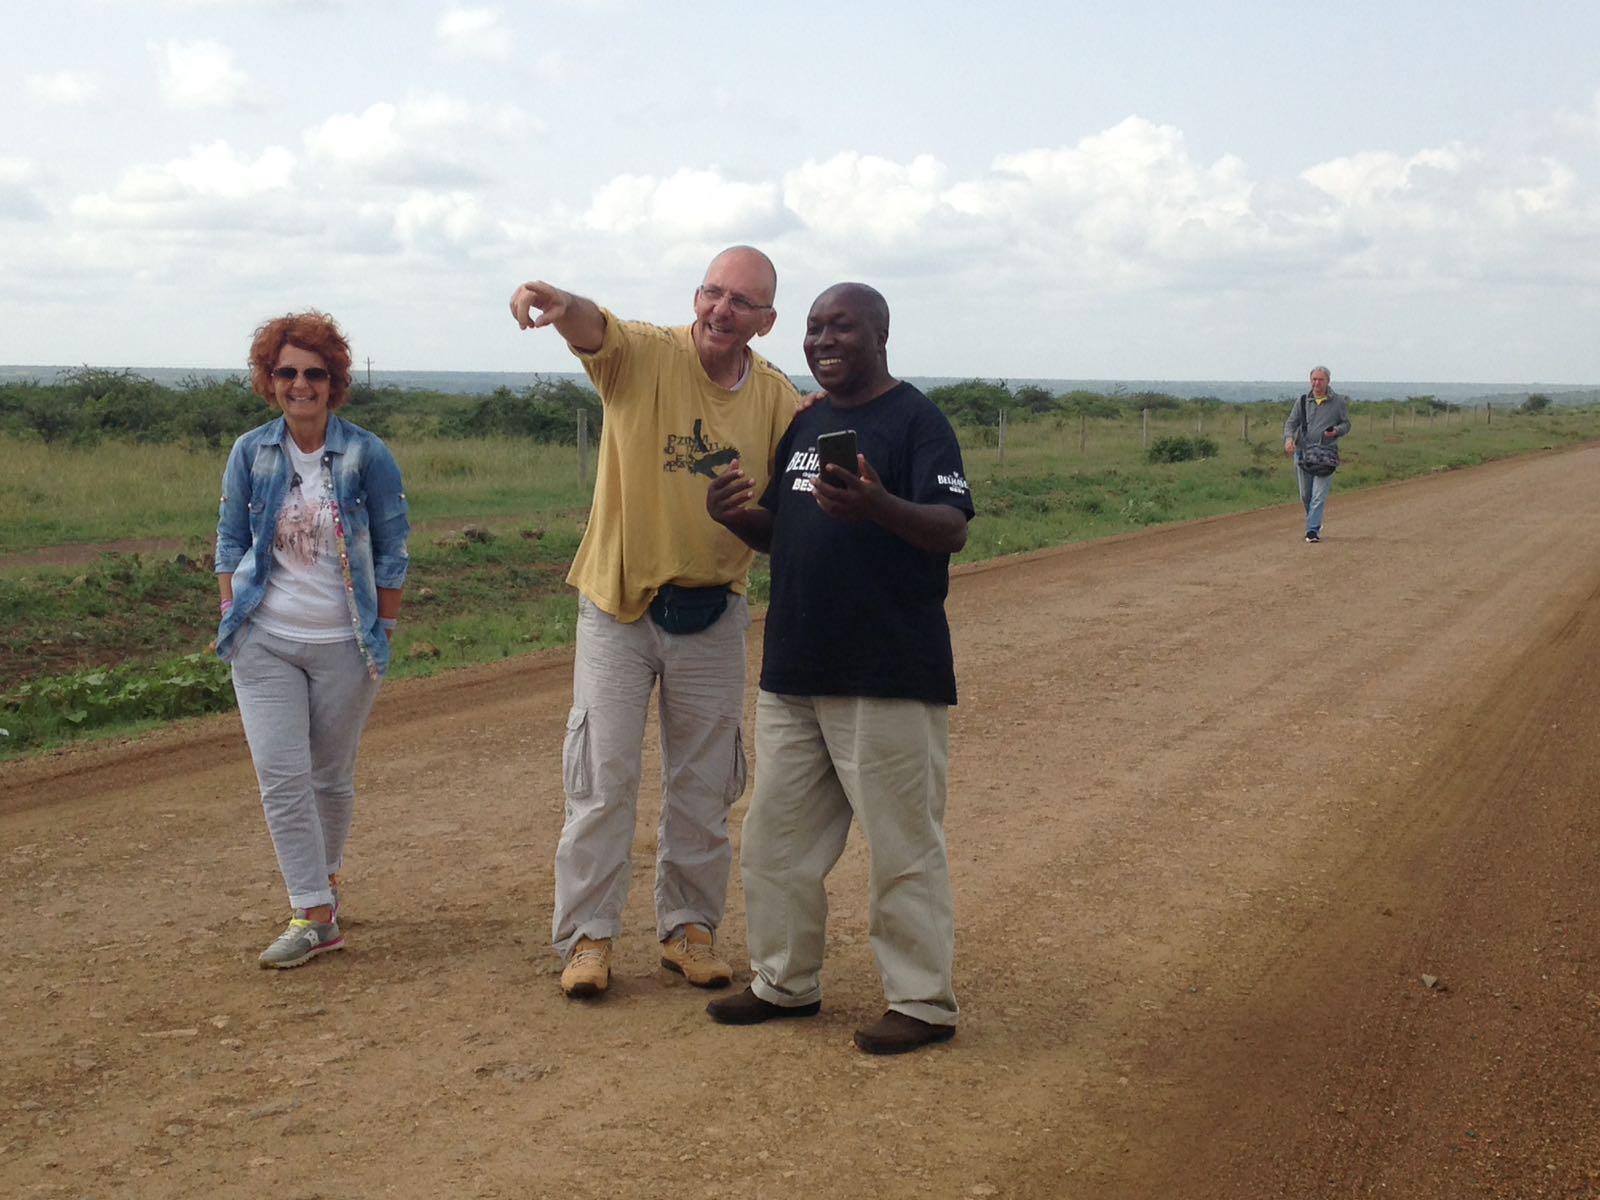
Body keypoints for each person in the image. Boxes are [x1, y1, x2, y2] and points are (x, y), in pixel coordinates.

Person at [508, 247, 798, 999]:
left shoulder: (776, 399)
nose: (721, 309)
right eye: (712, 292)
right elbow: (594, 327)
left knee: (704, 784)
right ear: (696, 297)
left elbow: (790, 508)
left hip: (714, 610)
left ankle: (689, 930)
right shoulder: (643, 357)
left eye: (741, 302)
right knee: (602, 780)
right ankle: (588, 938)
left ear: (766, 322)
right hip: (618, 606)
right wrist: (559, 302)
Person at [703, 282, 975, 1054]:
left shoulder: (917, 421)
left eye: (842, 327)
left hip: (887, 671)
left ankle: (922, 1003)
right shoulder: (808, 423)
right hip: (796, 669)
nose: (823, 340)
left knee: (903, 846)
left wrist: (877, 506)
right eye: (814, 327)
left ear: (881, 335)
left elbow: (951, 528)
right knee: (776, 841)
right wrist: (736, 518)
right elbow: (787, 531)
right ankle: (784, 982)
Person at [215, 310, 410, 969]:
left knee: (328, 775)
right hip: (264, 640)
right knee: (281, 775)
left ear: (334, 382)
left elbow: (393, 551)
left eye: (314, 373)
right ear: (268, 379)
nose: (300, 384)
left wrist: (381, 633)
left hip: (343, 643)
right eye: (287, 372)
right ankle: (314, 913)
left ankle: (322, 886)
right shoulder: (251, 452)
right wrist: (233, 616)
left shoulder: (367, 455)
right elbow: (230, 542)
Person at [1282, 365, 1352, 543]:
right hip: (1303, 453)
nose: (1317, 383)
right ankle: (1314, 520)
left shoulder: (1338, 402)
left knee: (1318, 495)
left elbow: (1346, 424)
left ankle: (1312, 530)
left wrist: (1336, 431)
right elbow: (1291, 423)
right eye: (1314, 379)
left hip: (1325, 455)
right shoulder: (1303, 401)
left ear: (1328, 381)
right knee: (1306, 495)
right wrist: (1289, 439)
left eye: (1320, 380)